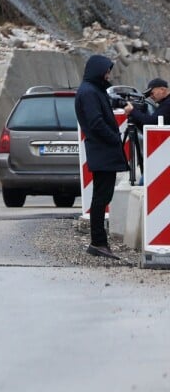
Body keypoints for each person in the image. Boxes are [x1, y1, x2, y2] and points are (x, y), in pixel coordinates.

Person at [74, 54, 127, 260]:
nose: (108, 75)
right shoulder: (89, 92)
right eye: (106, 71)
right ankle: (98, 241)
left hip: (103, 151)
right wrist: (114, 137)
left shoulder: (93, 90)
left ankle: (99, 241)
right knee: (101, 197)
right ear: (98, 70)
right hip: (102, 150)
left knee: (103, 196)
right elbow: (96, 122)